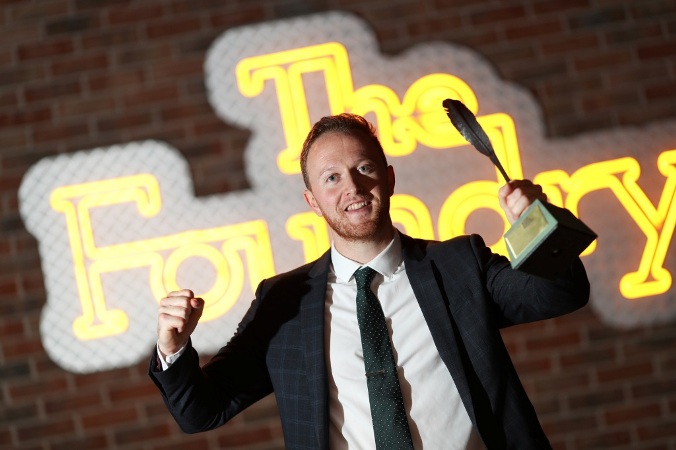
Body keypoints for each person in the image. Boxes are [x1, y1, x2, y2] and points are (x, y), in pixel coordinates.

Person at [149, 113, 590, 449]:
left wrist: (541, 226)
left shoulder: (459, 265)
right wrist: (173, 349)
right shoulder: (284, 302)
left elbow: (559, 294)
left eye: (364, 168)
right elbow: (202, 411)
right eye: (332, 178)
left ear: (389, 178)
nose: (353, 188)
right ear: (313, 202)